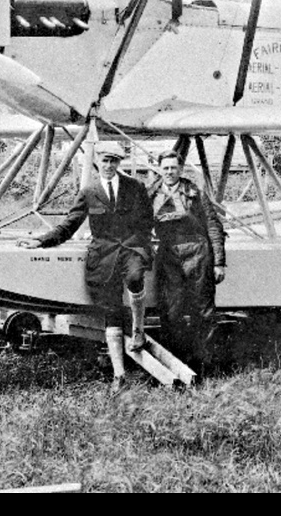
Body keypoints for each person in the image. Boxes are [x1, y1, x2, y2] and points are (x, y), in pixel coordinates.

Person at [20, 141, 153, 393]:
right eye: (105, 160)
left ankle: (138, 330)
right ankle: (119, 374)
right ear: (97, 162)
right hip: (103, 256)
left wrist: (141, 244)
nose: (109, 165)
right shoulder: (89, 191)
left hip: (131, 249)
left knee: (136, 277)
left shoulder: (135, 188)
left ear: (119, 163)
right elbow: (69, 224)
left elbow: (147, 220)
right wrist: (39, 241)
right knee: (110, 309)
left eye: (114, 160)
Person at [147, 151, 226, 371]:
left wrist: (219, 262)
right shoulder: (150, 194)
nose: (169, 172)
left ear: (180, 170)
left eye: (173, 168)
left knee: (203, 311)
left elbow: (213, 225)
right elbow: (139, 224)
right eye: (165, 168)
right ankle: (177, 364)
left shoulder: (194, 192)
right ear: (159, 170)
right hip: (169, 256)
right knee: (171, 312)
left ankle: (206, 365)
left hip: (198, 253)